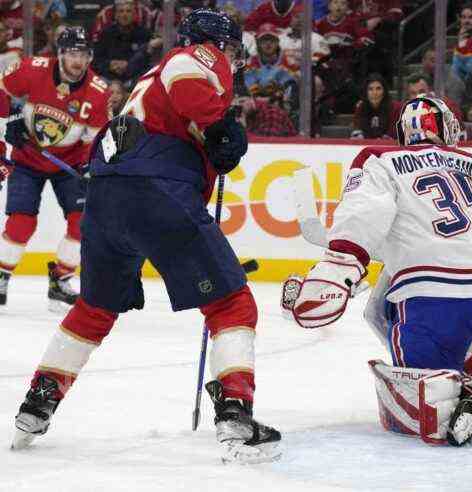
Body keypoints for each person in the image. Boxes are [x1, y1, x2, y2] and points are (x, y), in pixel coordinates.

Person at [10, 9, 281, 464]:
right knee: (232, 303)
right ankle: (235, 411)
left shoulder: (145, 83)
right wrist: (218, 126)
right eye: (231, 49)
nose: (233, 60)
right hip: (158, 190)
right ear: (214, 42)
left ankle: (40, 399)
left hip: (104, 198)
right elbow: (187, 78)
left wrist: (211, 141)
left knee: (94, 307)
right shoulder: (194, 56)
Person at [288, 94, 472, 447]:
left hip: (434, 300)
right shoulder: (471, 162)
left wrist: (341, 261)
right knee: (383, 306)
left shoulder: (380, 158)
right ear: (447, 128)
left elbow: (366, 213)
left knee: (425, 402)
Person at [0, 27, 111, 311]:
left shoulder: (98, 92)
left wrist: (90, 167)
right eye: (73, 53)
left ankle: (60, 281)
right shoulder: (32, 69)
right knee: (21, 223)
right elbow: (2, 91)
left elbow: (96, 141)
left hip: (69, 164)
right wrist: (11, 119)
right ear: (60, 54)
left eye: (84, 54)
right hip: (27, 158)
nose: (78, 61)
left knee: (81, 224)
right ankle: (1, 276)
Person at [350, 73, 400, 139]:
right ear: (366, 92)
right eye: (370, 89)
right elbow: (356, 131)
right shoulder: (361, 107)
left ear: (384, 91)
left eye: (378, 89)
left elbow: (393, 134)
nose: (374, 93)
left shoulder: (395, 108)